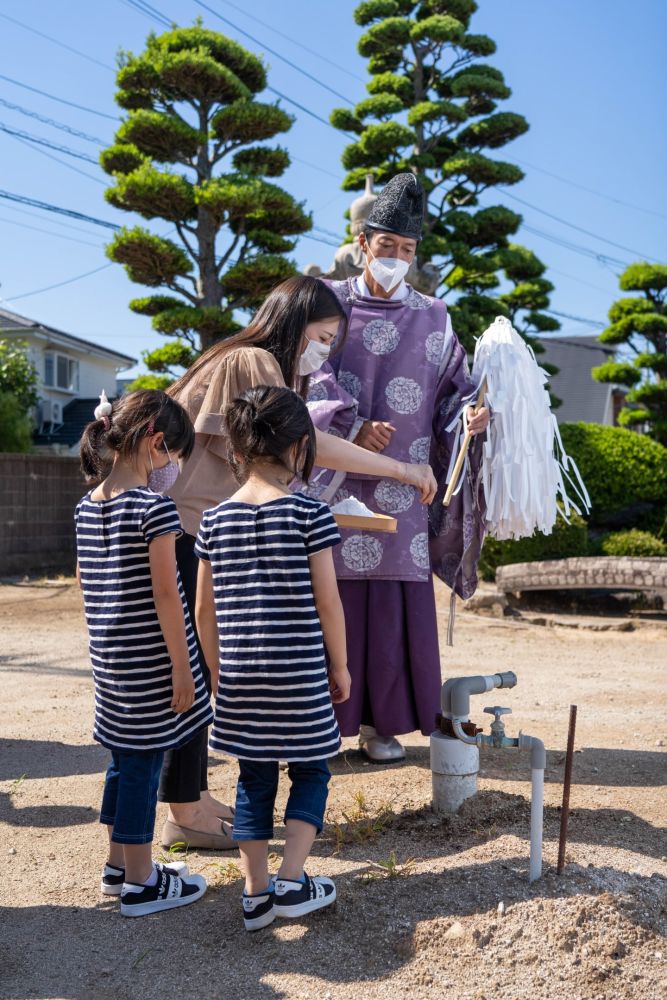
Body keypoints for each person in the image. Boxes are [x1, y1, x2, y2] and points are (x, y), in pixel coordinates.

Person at [158, 275, 436, 849]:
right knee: (189, 670)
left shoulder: (237, 355)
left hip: (192, 526)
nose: (323, 351)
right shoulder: (257, 361)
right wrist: (405, 470)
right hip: (185, 528)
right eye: (322, 337)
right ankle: (182, 814)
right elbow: (305, 439)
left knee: (193, 665)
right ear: (295, 322)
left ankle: (191, 801)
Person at [305, 173, 490, 763]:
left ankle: (380, 726)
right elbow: (306, 372)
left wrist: (469, 418)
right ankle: (316, 724)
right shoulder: (325, 301)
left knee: (390, 608)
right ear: (363, 244)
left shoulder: (435, 315)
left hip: (406, 483)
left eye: (408, 250)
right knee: (323, 594)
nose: (397, 258)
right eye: (388, 247)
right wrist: (351, 424)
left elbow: (453, 389)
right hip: (332, 479)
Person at [194, 385, 349, 931]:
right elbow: (328, 602)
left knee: (253, 778)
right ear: (300, 446)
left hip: (239, 675)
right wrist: (341, 666)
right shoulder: (310, 514)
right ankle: (292, 881)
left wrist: (217, 673)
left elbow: (204, 613)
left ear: (237, 448)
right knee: (310, 771)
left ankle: (255, 893)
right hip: (300, 670)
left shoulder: (214, 522)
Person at [75, 389, 213, 916]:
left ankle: (118, 863)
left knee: (124, 760)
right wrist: (183, 666)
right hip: (152, 661)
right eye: (174, 455)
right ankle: (140, 881)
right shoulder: (155, 510)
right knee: (142, 766)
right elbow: (166, 596)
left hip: (112, 661)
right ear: (156, 442)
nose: (173, 467)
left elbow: (88, 582)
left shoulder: (87, 505)